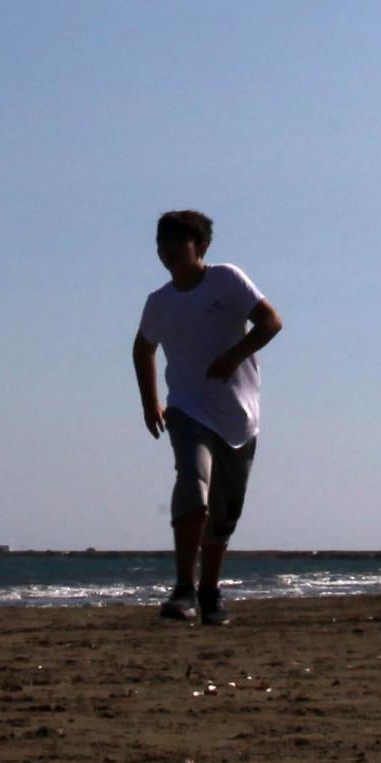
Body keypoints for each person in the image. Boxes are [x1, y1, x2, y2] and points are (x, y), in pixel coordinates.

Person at [132, 209, 283, 629]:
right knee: (192, 484)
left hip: (239, 416)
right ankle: (183, 587)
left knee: (224, 512)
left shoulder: (227, 280)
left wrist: (232, 357)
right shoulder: (158, 303)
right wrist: (151, 401)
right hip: (187, 409)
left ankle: (210, 590)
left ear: (201, 247)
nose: (168, 251)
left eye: (179, 242)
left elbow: (271, 321)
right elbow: (143, 349)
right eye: (162, 243)